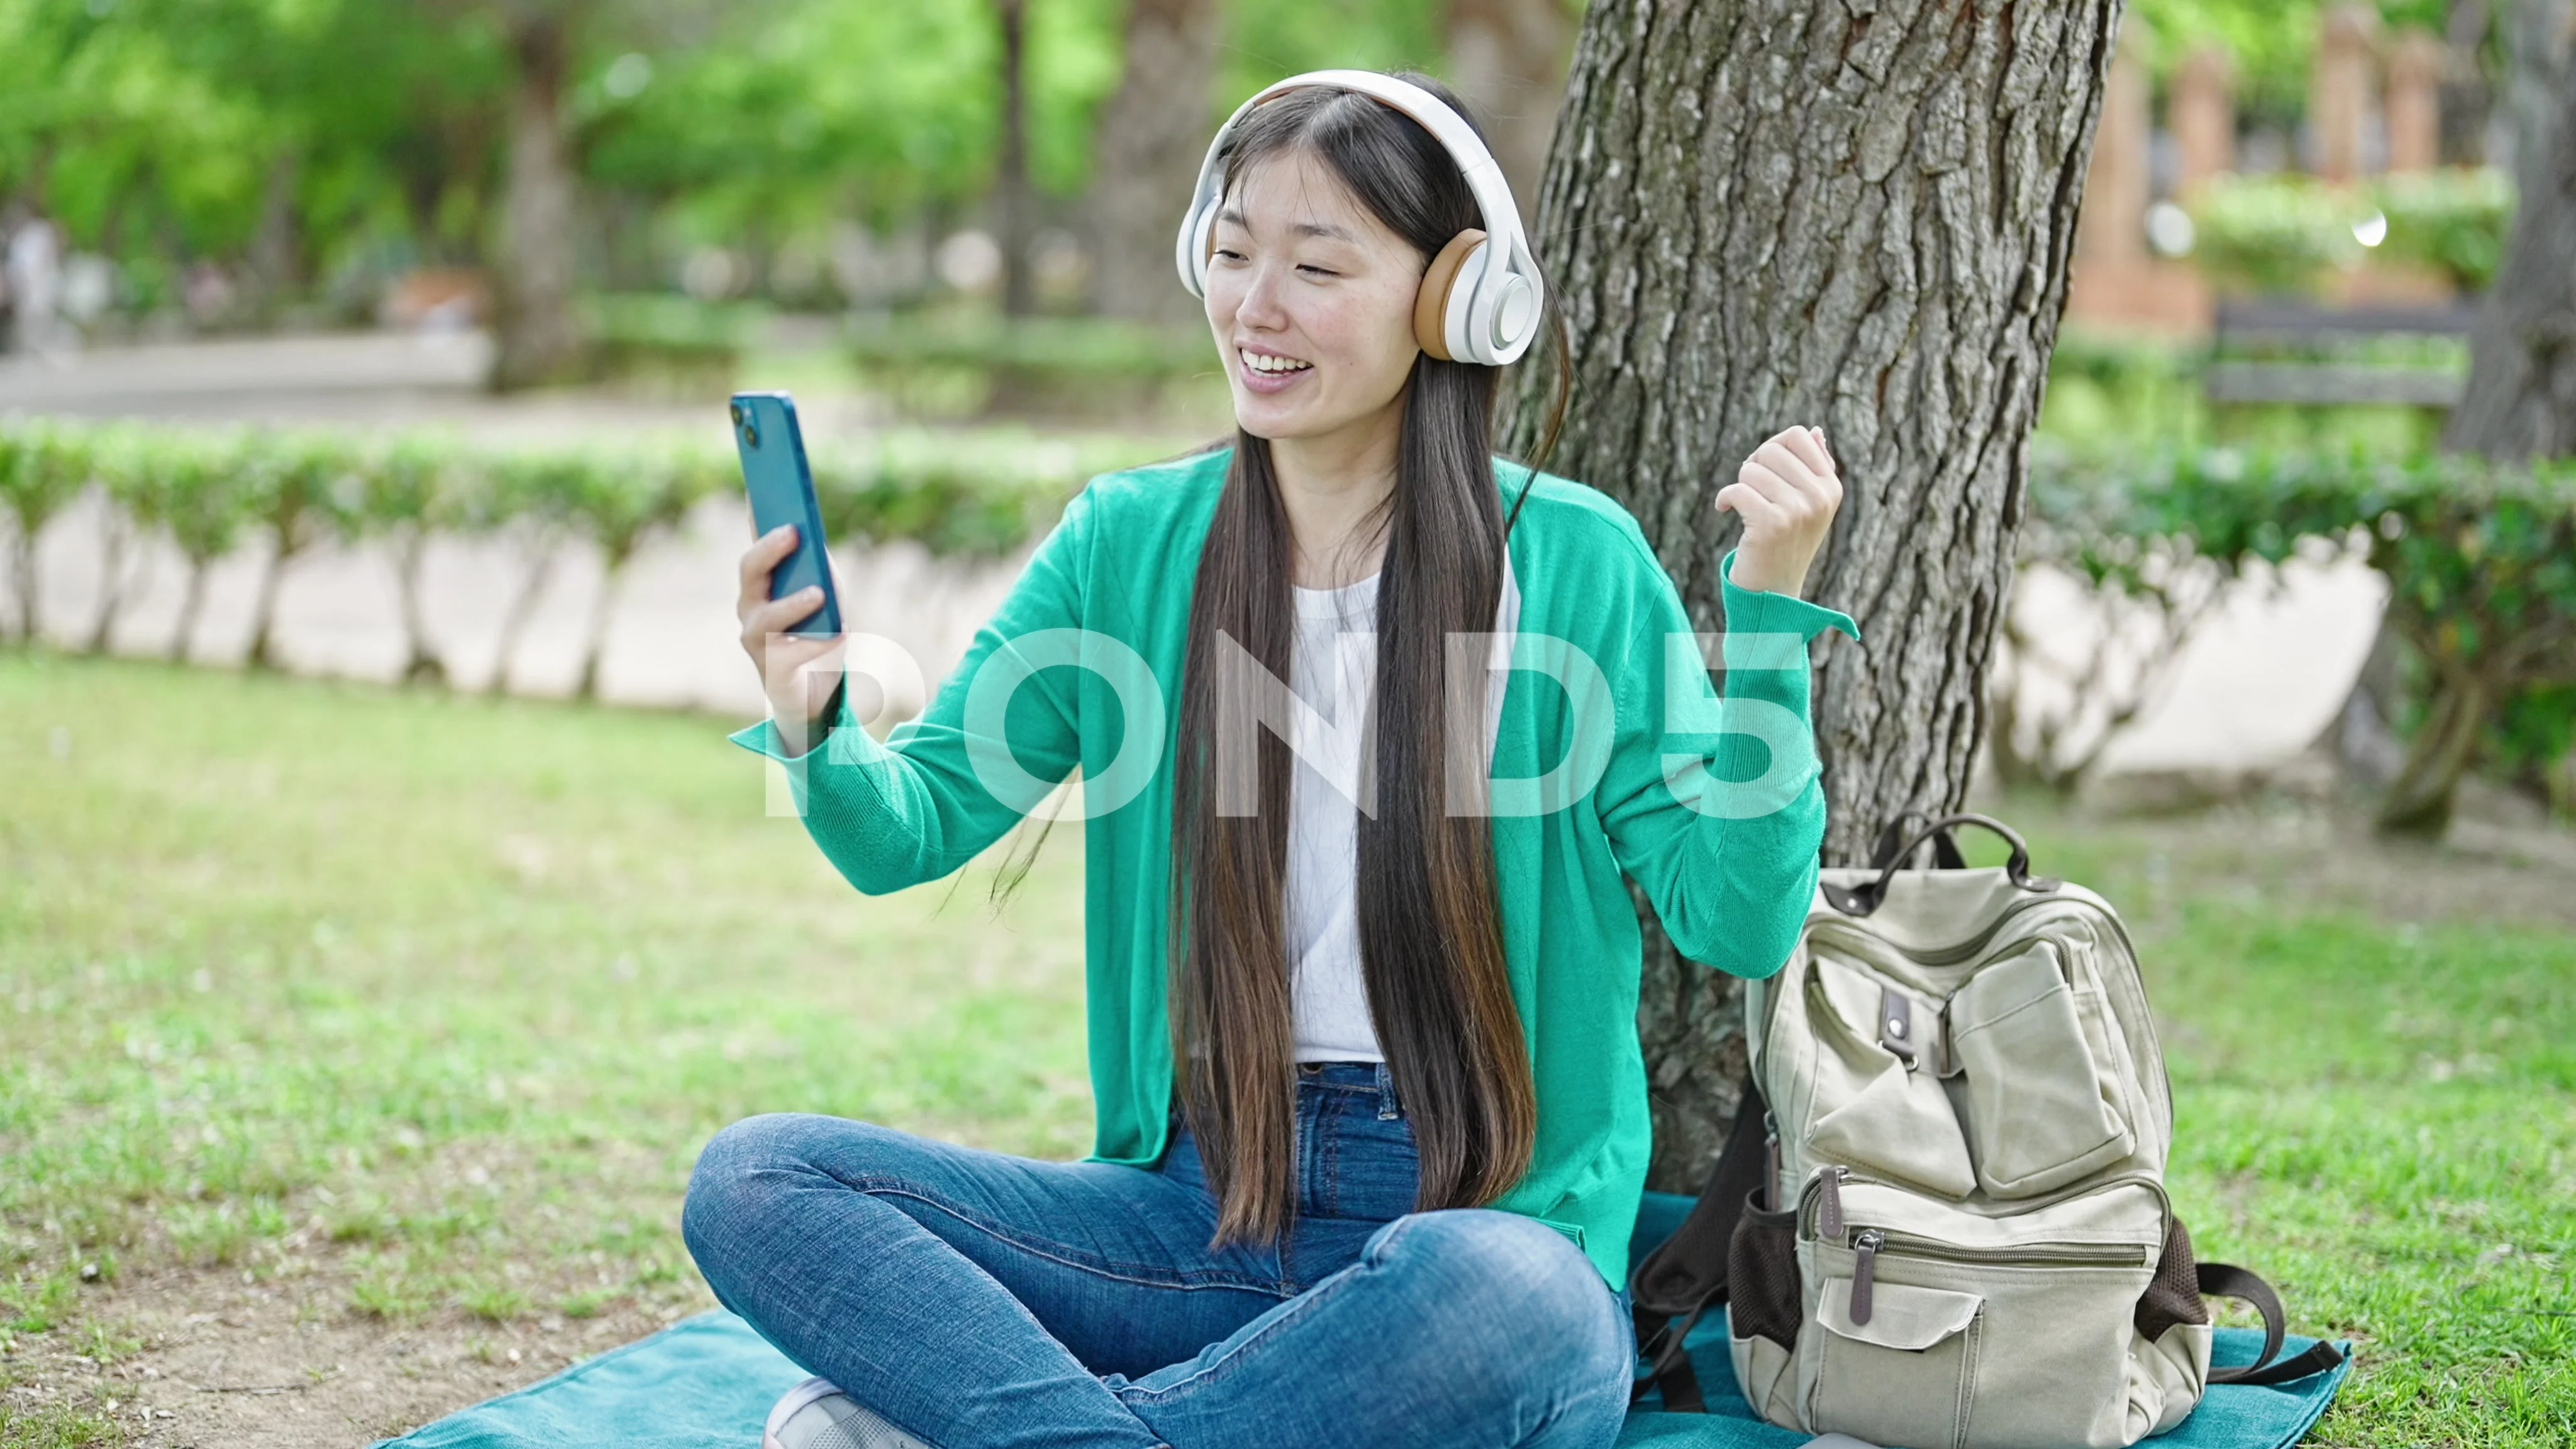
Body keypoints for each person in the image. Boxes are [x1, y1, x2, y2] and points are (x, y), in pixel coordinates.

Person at [682, 69, 1857, 1449]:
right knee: (757, 1182)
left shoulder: (1573, 560)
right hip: (1196, 1213)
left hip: (1466, 1232)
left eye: (1315, 267)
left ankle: (1019, 1428)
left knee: (1511, 1298)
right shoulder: (1127, 542)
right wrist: (815, 717)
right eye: (1232, 254)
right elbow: (908, 831)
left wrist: (1768, 627)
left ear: (1454, 299)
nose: (1255, 308)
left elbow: (1740, 916)